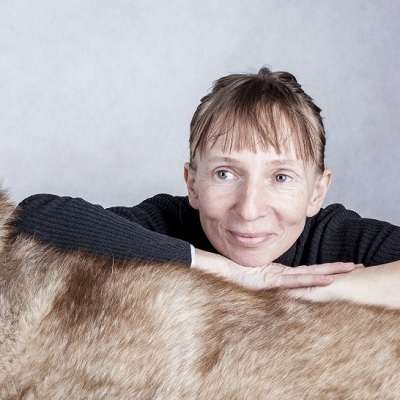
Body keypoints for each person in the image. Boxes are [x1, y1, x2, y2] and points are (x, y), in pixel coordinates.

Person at [14, 67, 400, 307]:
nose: (249, 209)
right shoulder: (169, 222)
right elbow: (33, 218)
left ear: (317, 192)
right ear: (192, 184)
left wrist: (314, 292)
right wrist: (222, 272)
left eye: (281, 177)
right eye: (225, 174)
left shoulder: (333, 236)